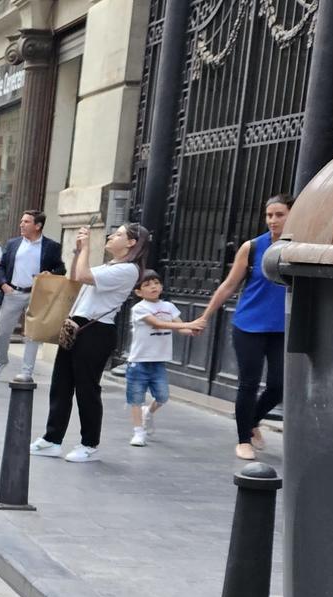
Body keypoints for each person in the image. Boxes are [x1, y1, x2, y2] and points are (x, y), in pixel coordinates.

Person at [29, 223, 152, 463]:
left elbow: (85, 275)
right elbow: (77, 276)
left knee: (87, 389)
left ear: (131, 243)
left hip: (96, 330)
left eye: (118, 234)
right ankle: (52, 439)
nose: (111, 236)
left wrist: (86, 247)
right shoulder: (111, 265)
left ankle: (90, 444)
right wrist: (78, 250)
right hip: (76, 326)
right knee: (61, 384)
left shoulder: (129, 270)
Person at [190, 194, 292, 460]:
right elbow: (229, 284)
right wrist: (205, 315)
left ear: (292, 215)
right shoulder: (253, 247)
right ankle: (243, 439)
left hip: (283, 327)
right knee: (248, 383)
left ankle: (252, 420)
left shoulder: (299, 247)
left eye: (279, 214)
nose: (272, 220)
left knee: (278, 385)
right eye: (269, 215)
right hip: (249, 324)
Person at [0, 209, 65, 381]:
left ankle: (27, 372)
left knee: (32, 334)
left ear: (38, 226)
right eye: (22, 221)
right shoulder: (13, 243)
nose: (21, 224)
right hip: (13, 292)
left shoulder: (51, 246)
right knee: (2, 332)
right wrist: (3, 285)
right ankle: (1, 360)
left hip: (37, 294)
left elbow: (61, 268)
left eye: (26, 222)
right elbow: (0, 267)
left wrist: (50, 274)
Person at [124, 270, 193, 448]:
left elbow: (181, 328)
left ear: (161, 286)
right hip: (139, 361)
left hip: (158, 361)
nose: (153, 286)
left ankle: (149, 412)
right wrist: (187, 325)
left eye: (156, 282)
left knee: (163, 396)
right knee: (136, 398)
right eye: (147, 284)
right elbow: (157, 323)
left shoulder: (169, 307)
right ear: (139, 292)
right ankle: (139, 432)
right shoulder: (139, 308)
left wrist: (194, 328)